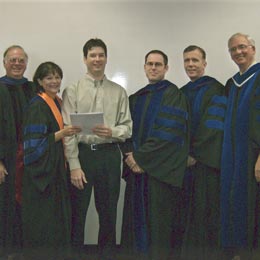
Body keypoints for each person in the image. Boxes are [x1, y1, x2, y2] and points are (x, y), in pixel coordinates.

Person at [61, 38, 132, 260]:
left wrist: (112, 132)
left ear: (106, 58)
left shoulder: (119, 91)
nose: (97, 59)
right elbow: (68, 131)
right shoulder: (72, 90)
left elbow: (127, 128)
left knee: (109, 213)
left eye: (101, 55)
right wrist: (74, 165)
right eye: (92, 55)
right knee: (77, 213)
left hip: (109, 156)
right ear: (85, 59)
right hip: (82, 156)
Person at [121, 50, 189, 260]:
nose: (153, 68)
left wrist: (141, 159)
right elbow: (125, 131)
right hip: (137, 171)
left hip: (159, 174)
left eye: (158, 64)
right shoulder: (135, 97)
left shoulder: (173, 95)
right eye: (149, 64)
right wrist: (130, 158)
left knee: (159, 222)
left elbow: (169, 133)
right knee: (135, 221)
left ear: (166, 68)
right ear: (144, 67)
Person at [22, 62, 81, 259]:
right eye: (49, 78)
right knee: (45, 224)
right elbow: (32, 145)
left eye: (57, 77)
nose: (54, 81)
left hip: (55, 171)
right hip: (42, 177)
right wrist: (60, 134)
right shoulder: (37, 105)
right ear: (39, 81)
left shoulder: (56, 101)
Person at [180, 45, 226, 260]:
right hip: (184, 164)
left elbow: (213, 127)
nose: (191, 64)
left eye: (195, 60)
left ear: (204, 63)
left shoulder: (216, 89)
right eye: (187, 60)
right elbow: (175, 128)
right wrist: (182, 155)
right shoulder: (180, 92)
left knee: (206, 211)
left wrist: (195, 154)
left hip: (206, 164)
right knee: (187, 211)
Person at [220, 33, 260, 260]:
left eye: (242, 47)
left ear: (253, 49)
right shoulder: (232, 83)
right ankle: (240, 251)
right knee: (235, 199)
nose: (238, 52)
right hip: (233, 158)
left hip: (253, 156)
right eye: (233, 49)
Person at [0, 45, 36, 259]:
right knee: (6, 207)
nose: (17, 63)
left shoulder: (33, 89)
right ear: (4, 62)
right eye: (12, 59)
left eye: (21, 60)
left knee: (29, 206)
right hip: (6, 162)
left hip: (31, 162)